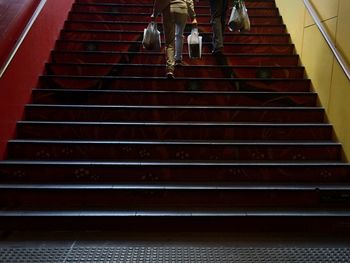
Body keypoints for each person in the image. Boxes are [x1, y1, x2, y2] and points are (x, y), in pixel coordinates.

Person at [152, 0, 197, 79]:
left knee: (169, 42)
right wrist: (193, 16)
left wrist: (155, 14)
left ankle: (170, 69)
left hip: (169, 9)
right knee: (179, 35)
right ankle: (178, 59)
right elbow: (189, 0)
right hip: (182, 9)